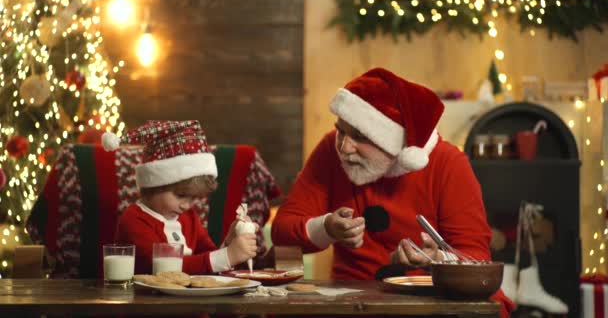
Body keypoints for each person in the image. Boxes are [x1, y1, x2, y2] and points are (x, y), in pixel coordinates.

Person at [271, 68, 513, 317]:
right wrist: (326, 228)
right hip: (351, 301)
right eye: (341, 131)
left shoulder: (448, 164)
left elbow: (476, 258)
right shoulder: (329, 151)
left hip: (430, 302)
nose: (344, 147)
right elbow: (282, 230)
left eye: (360, 136)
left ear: (397, 143)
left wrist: (437, 258)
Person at [104, 120, 257, 274]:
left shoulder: (189, 217)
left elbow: (209, 258)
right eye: (181, 195)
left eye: (193, 198)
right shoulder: (134, 219)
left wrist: (230, 241)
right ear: (154, 186)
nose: (186, 205)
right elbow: (162, 270)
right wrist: (228, 256)